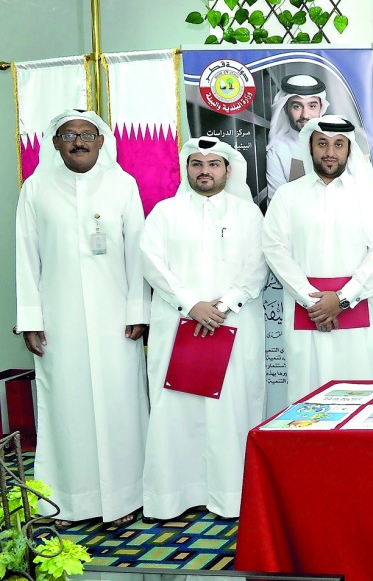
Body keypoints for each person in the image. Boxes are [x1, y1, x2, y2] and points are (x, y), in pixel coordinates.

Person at [15, 109, 150, 526]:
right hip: (59, 322)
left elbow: (137, 254)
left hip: (117, 322)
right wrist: (30, 318)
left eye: (87, 134)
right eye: (69, 135)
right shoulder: (36, 188)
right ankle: (70, 502)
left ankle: (125, 498)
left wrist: (138, 312)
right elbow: (25, 255)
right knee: (66, 407)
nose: (78, 141)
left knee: (121, 404)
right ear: (55, 143)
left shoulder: (122, 185)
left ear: (101, 141)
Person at [141, 137, 267, 519]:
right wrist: (191, 305)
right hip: (179, 326)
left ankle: (232, 496)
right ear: (187, 169)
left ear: (228, 170)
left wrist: (225, 304)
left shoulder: (249, 215)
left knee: (232, 409)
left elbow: (258, 266)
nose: (205, 171)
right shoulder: (164, 213)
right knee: (177, 413)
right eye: (197, 164)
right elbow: (152, 263)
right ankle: (174, 496)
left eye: (214, 164)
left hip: (235, 324)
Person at [263, 115, 373, 401]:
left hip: (355, 310)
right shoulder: (287, 195)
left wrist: (343, 299)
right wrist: (314, 302)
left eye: (338, 145)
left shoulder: (368, 195)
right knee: (306, 395)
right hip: (305, 311)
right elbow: (274, 249)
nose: (330, 153)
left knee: (359, 394)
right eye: (322, 144)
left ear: (349, 150)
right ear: (310, 148)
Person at [266, 74, 327, 199]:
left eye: (312, 106)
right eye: (297, 106)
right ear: (285, 109)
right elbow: (277, 202)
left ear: (321, 108)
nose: (305, 114)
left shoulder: (339, 143)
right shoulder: (277, 150)